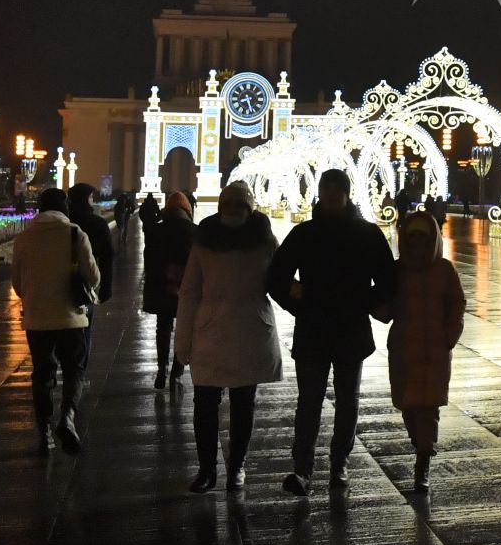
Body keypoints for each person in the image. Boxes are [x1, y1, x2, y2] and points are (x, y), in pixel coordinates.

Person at [266, 168, 395, 496]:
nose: (332, 196)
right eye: (328, 190)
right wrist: (301, 303)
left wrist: (358, 301)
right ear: (322, 193)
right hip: (326, 329)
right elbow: (276, 277)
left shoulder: (315, 233)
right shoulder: (342, 233)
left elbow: (388, 280)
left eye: (337, 191)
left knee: (341, 400)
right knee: (314, 400)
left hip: (334, 329)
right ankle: (307, 468)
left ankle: (335, 462)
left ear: (346, 194)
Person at [175, 182, 282, 493]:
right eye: (229, 202)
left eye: (239, 203)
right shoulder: (204, 242)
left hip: (249, 330)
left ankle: (237, 465)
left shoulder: (265, 241)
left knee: (243, 403)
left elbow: (280, 280)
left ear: (249, 207)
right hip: (212, 330)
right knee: (205, 402)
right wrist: (183, 341)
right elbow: (189, 291)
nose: (233, 208)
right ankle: (207, 468)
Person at [377, 211, 466, 491]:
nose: (417, 241)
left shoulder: (444, 270)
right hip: (404, 349)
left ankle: (423, 462)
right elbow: (384, 308)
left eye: (422, 236)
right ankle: (420, 444)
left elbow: (457, 305)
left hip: (435, 352)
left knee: (428, 408)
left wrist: (449, 337)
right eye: (412, 235)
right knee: (408, 406)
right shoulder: (396, 270)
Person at [11, 187, 100, 454]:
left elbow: (17, 284)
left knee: (42, 374)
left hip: (37, 320)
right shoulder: (74, 234)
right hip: (71, 318)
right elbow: (93, 277)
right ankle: (68, 417)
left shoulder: (24, 238)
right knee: (74, 369)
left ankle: (44, 431)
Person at [143, 191, 197, 390]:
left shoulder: (154, 231)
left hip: (161, 287)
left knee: (163, 327)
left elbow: (148, 259)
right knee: (184, 329)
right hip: (186, 289)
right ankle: (177, 372)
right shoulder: (195, 231)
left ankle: (161, 368)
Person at [67, 183, 116, 362]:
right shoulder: (97, 223)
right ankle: (79, 371)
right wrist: (106, 287)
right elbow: (107, 256)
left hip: (60, 281)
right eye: (91, 197)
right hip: (85, 283)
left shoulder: (65, 223)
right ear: (85, 199)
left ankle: (67, 369)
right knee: (85, 329)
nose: (92, 200)